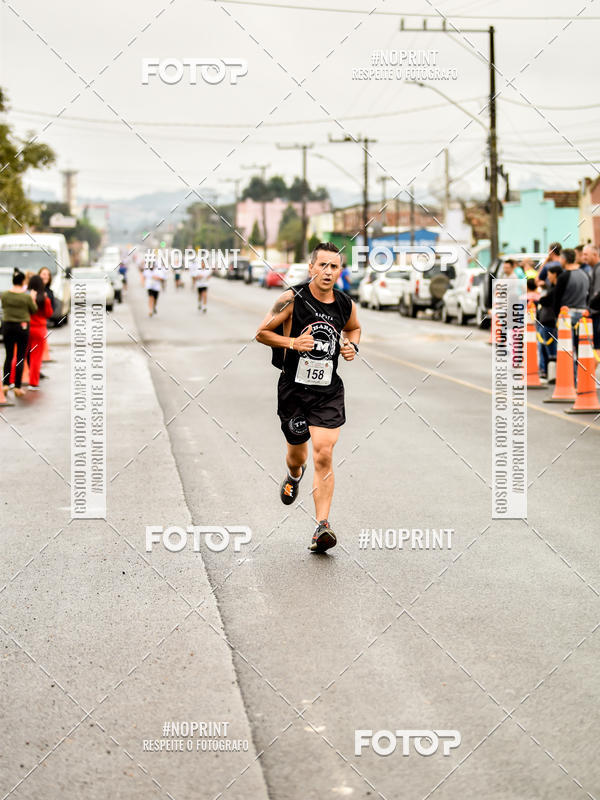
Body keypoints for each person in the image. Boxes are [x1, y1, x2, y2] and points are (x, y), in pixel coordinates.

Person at [255, 242, 361, 553]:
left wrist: (352, 346)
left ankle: (322, 526)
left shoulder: (345, 304)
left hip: (328, 392)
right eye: (323, 265)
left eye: (335, 266)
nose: (329, 271)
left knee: (324, 453)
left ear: (339, 271)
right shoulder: (292, 298)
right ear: (311, 267)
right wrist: (291, 342)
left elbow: (354, 329)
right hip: (293, 390)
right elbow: (262, 332)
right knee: (298, 456)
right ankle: (292, 474)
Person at [553, 248, 591, 383]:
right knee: (582, 348)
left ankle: (571, 379)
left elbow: (557, 298)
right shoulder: (585, 274)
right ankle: (583, 379)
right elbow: (589, 294)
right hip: (583, 314)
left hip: (567, 315)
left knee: (567, 350)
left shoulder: (564, 276)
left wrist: (555, 314)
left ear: (564, 259)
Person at [1, 270, 37, 397]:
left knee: (8, 356)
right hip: (22, 327)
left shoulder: (4, 295)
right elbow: (33, 310)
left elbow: (4, 307)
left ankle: (5, 384)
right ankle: (17, 387)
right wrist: (32, 299)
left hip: (7, 326)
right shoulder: (26, 296)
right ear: (22, 282)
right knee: (20, 357)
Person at [25, 275, 53, 390]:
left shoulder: (25, 298)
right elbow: (49, 314)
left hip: (26, 328)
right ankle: (33, 383)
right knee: (36, 357)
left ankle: (12, 380)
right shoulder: (44, 299)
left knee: (20, 355)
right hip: (40, 329)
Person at [537, 265, 562, 381]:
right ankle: (547, 371)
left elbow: (547, 300)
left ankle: (552, 373)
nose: (547, 277)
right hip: (545, 320)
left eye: (549, 274)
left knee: (550, 348)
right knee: (544, 347)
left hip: (550, 320)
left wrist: (543, 299)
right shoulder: (551, 287)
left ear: (555, 274)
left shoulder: (557, 289)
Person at [582, 244, 600, 359]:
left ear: (595, 254)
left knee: (597, 348)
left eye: (586, 254)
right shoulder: (594, 269)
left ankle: (589, 376)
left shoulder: (598, 270)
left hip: (597, 314)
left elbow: (598, 293)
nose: (584, 257)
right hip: (595, 313)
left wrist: (589, 308)